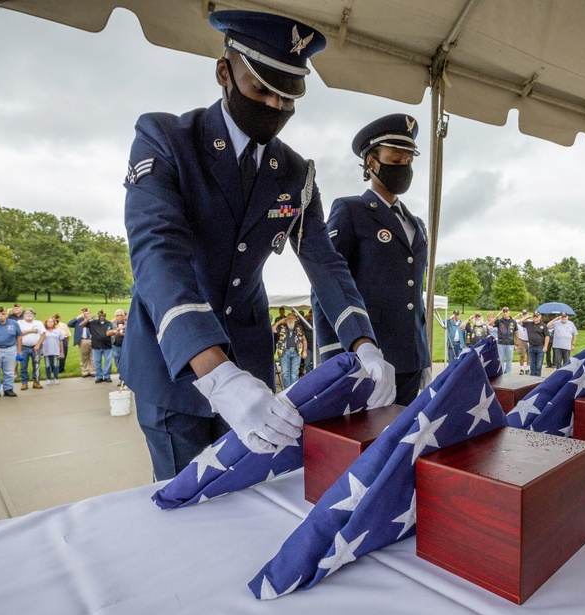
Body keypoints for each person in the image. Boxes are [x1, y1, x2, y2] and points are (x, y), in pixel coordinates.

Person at [121, 10, 394, 480]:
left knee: (250, 499)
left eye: (288, 98)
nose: (274, 106)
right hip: (176, 365)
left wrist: (363, 342)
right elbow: (157, 252)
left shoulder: (295, 172)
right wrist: (216, 373)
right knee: (184, 502)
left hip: (250, 361)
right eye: (261, 89)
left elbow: (324, 262)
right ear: (225, 73)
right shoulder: (166, 140)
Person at [312, 113, 430, 406]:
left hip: (410, 358)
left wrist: (423, 353)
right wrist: (336, 356)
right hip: (369, 358)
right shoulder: (352, 211)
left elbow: (414, 293)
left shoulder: (415, 224)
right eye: (395, 158)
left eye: (408, 160)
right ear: (371, 162)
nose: (403, 166)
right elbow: (326, 286)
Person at [273, 311, 305, 389]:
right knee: (285, 373)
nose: (290, 320)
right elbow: (272, 329)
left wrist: (305, 351)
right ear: (286, 319)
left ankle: (292, 391)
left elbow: (304, 340)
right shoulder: (281, 327)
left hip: (296, 352)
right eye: (288, 318)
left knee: (294, 373)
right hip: (284, 352)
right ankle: (287, 391)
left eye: (292, 318)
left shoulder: (299, 328)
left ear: (295, 319)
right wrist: (280, 321)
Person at [18, 309, 45, 390]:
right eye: (27, 313)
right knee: (23, 366)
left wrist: (38, 345)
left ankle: (36, 382)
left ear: (34, 315)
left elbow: (43, 334)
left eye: (31, 313)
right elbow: (19, 334)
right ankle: (24, 383)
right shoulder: (19, 323)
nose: (29, 315)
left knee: (36, 366)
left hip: (35, 348)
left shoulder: (38, 323)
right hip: (23, 347)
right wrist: (31, 331)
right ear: (23, 315)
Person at [89, 310, 115, 383]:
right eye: (100, 315)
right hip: (96, 345)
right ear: (98, 316)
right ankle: (99, 376)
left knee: (108, 362)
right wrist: (89, 318)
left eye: (103, 315)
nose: (101, 317)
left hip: (107, 345)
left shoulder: (109, 323)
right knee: (97, 362)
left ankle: (107, 376)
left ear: (105, 316)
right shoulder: (93, 323)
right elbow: (81, 325)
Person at [67, 310, 95, 378]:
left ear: (90, 314)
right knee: (84, 356)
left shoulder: (94, 321)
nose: (86, 315)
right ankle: (85, 371)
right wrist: (79, 317)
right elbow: (69, 324)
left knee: (92, 357)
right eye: (85, 314)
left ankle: (92, 371)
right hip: (83, 340)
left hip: (93, 340)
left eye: (88, 313)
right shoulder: (79, 321)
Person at [523, 311, 550, 377]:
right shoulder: (529, 324)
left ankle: (537, 376)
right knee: (532, 363)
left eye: (537, 316)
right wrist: (527, 317)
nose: (535, 317)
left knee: (539, 364)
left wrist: (545, 346)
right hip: (531, 346)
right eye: (534, 316)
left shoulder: (543, 325)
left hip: (540, 346)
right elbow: (519, 322)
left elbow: (547, 336)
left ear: (540, 317)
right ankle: (532, 376)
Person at [495, 307, 519, 374]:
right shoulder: (499, 321)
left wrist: (517, 344)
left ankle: (508, 373)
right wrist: (497, 315)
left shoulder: (513, 322)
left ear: (509, 312)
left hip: (510, 343)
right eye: (504, 312)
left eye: (506, 312)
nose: (505, 313)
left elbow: (516, 333)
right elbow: (491, 323)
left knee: (509, 359)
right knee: (501, 360)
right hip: (501, 343)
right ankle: (501, 373)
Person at [41, 317, 65, 385]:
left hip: (55, 350)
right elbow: (41, 341)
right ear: (46, 323)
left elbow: (61, 341)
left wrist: (62, 351)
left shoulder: (58, 331)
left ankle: (56, 378)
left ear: (54, 323)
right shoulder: (44, 331)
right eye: (48, 322)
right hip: (46, 351)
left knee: (55, 365)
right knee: (47, 365)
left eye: (51, 322)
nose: (50, 323)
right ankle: (48, 379)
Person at [110, 309, 127, 373]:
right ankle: (121, 377)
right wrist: (115, 331)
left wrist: (121, 334)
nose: (119, 317)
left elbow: (131, 334)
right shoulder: (112, 324)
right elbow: (107, 333)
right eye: (117, 315)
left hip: (126, 346)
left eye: (121, 315)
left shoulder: (128, 324)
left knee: (126, 362)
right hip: (116, 346)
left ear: (124, 316)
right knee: (117, 362)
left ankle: (125, 378)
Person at [515, 309, 529, 375]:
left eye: (526, 313)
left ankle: (528, 368)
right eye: (523, 314)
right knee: (522, 355)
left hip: (529, 340)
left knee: (529, 355)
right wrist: (518, 315)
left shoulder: (530, 321)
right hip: (522, 340)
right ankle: (522, 368)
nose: (525, 315)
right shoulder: (518, 322)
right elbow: (512, 320)